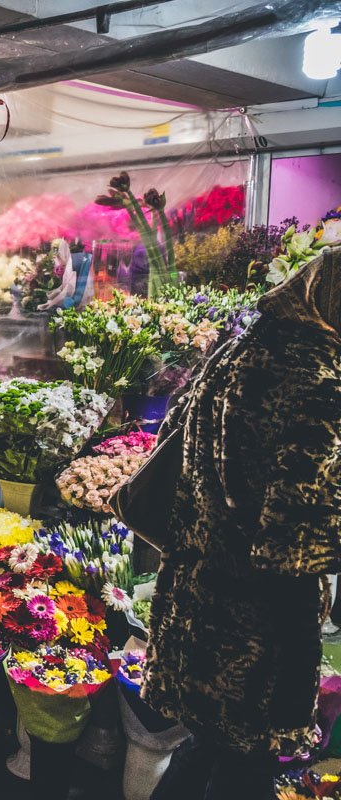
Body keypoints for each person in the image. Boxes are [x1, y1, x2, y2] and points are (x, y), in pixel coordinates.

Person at [145, 250, 341, 800]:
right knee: (242, 767)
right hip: (254, 630)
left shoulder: (237, 353)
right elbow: (292, 545)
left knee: (206, 745)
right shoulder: (318, 380)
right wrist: (300, 663)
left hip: (193, 600)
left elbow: (175, 457)